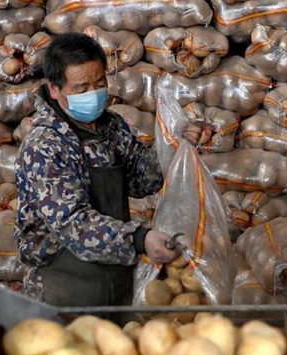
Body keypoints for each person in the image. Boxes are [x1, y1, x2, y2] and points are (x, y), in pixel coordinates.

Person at [15, 33, 201, 307]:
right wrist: (139, 238)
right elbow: (73, 225)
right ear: (54, 89)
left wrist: (173, 142)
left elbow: (143, 180)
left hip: (115, 276)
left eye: (99, 82)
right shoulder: (44, 145)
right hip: (65, 286)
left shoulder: (111, 126)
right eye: (81, 88)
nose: (93, 93)